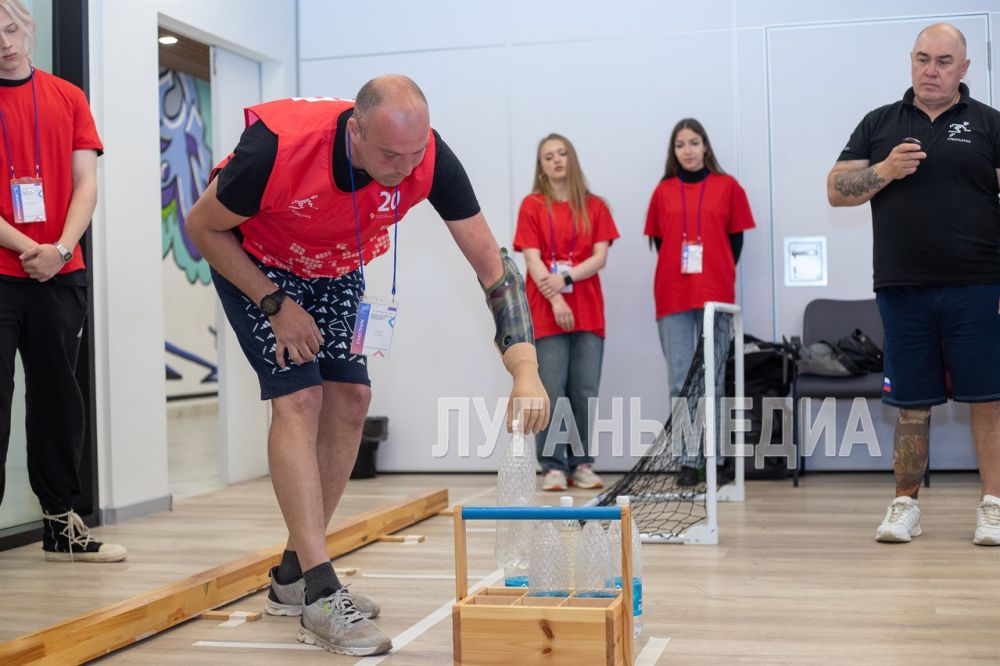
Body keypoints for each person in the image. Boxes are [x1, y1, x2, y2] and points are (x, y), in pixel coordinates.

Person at [186, 75, 549, 656]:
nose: (404, 170)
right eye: (389, 156)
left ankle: (292, 578)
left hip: (334, 265)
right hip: (257, 264)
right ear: (354, 132)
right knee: (300, 398)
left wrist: (524, 369)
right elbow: (202, 227)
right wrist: (275, 305)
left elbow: (492, 265)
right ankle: (322, 593)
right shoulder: (275, 149)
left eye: (414, 154)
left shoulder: (430, 158)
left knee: (352, 400)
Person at [827, 23, 1000, 546]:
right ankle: (905, 504)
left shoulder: (989, 124)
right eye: (923, 58)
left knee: (988, 399)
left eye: (944, 61)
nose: (931, 70)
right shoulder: (880, 123)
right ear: (911, 60)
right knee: (911, 403)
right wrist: (884, 169)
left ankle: (993, 506)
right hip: (902, 288)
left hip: (978, 286)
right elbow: (837, 190)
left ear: (963, 69)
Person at [0, 0, 126, 562]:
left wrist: (60, 249)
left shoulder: (68, 96)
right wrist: (28, 248)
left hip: (60, 273)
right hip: (5, 272)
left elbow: (86, 182)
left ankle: (60, 527)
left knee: (58, 401)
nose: (5, 43)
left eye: (10, 29)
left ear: (27, 27)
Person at [644, 118, 755, 487]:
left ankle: (716, 459)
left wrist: (714, 272)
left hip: (716, 294)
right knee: (680, 381)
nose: (688, 150)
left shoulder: (728, 186)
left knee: (714, 379)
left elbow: (735, 241)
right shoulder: (663, 191)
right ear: (673, 151)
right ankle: (687, 460)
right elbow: (661, 242)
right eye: (680, 145)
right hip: (673, 293)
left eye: (694, 142)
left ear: (706, 146)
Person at [513, 134, 619, 492]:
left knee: (584, 391)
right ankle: (553, 466)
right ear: (541, 167)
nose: (557, 160)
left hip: (587, 310)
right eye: (548, 157)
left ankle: (582, 463)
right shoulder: (531, 205)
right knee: (551, 390)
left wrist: (567, 278)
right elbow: (532, 259)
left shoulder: (596, 206)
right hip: (546, 310)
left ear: (572, 159)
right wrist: (557, 298)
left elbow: (599, 258)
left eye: (562, 154)